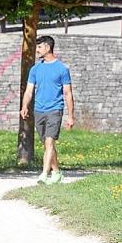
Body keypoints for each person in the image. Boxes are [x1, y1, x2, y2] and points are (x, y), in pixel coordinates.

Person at [20, 36, 75, 185]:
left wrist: (70, 116)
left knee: (50, 142)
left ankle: (44, 174)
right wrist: (25, 106)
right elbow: (29, 91)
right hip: (39, 110)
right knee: (46, 144)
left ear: (47, 48)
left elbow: (68, 93)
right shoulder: (35, 69)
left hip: (55, 110)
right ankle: (57, 172)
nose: (36, 50)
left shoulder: (62, 69)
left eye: (39, 47)